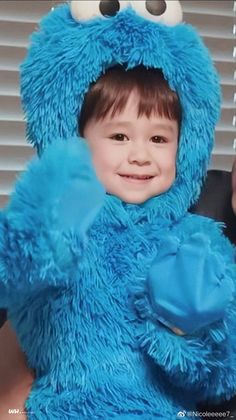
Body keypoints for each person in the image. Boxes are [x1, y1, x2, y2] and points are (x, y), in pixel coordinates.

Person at [0, 1, 235, 418]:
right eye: (120, 136)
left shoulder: (196, 243)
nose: (141, 156)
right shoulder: (65, 226)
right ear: (75, 137)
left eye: (159, 140)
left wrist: (192, 329)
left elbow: (220, 379)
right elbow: (13, 276)